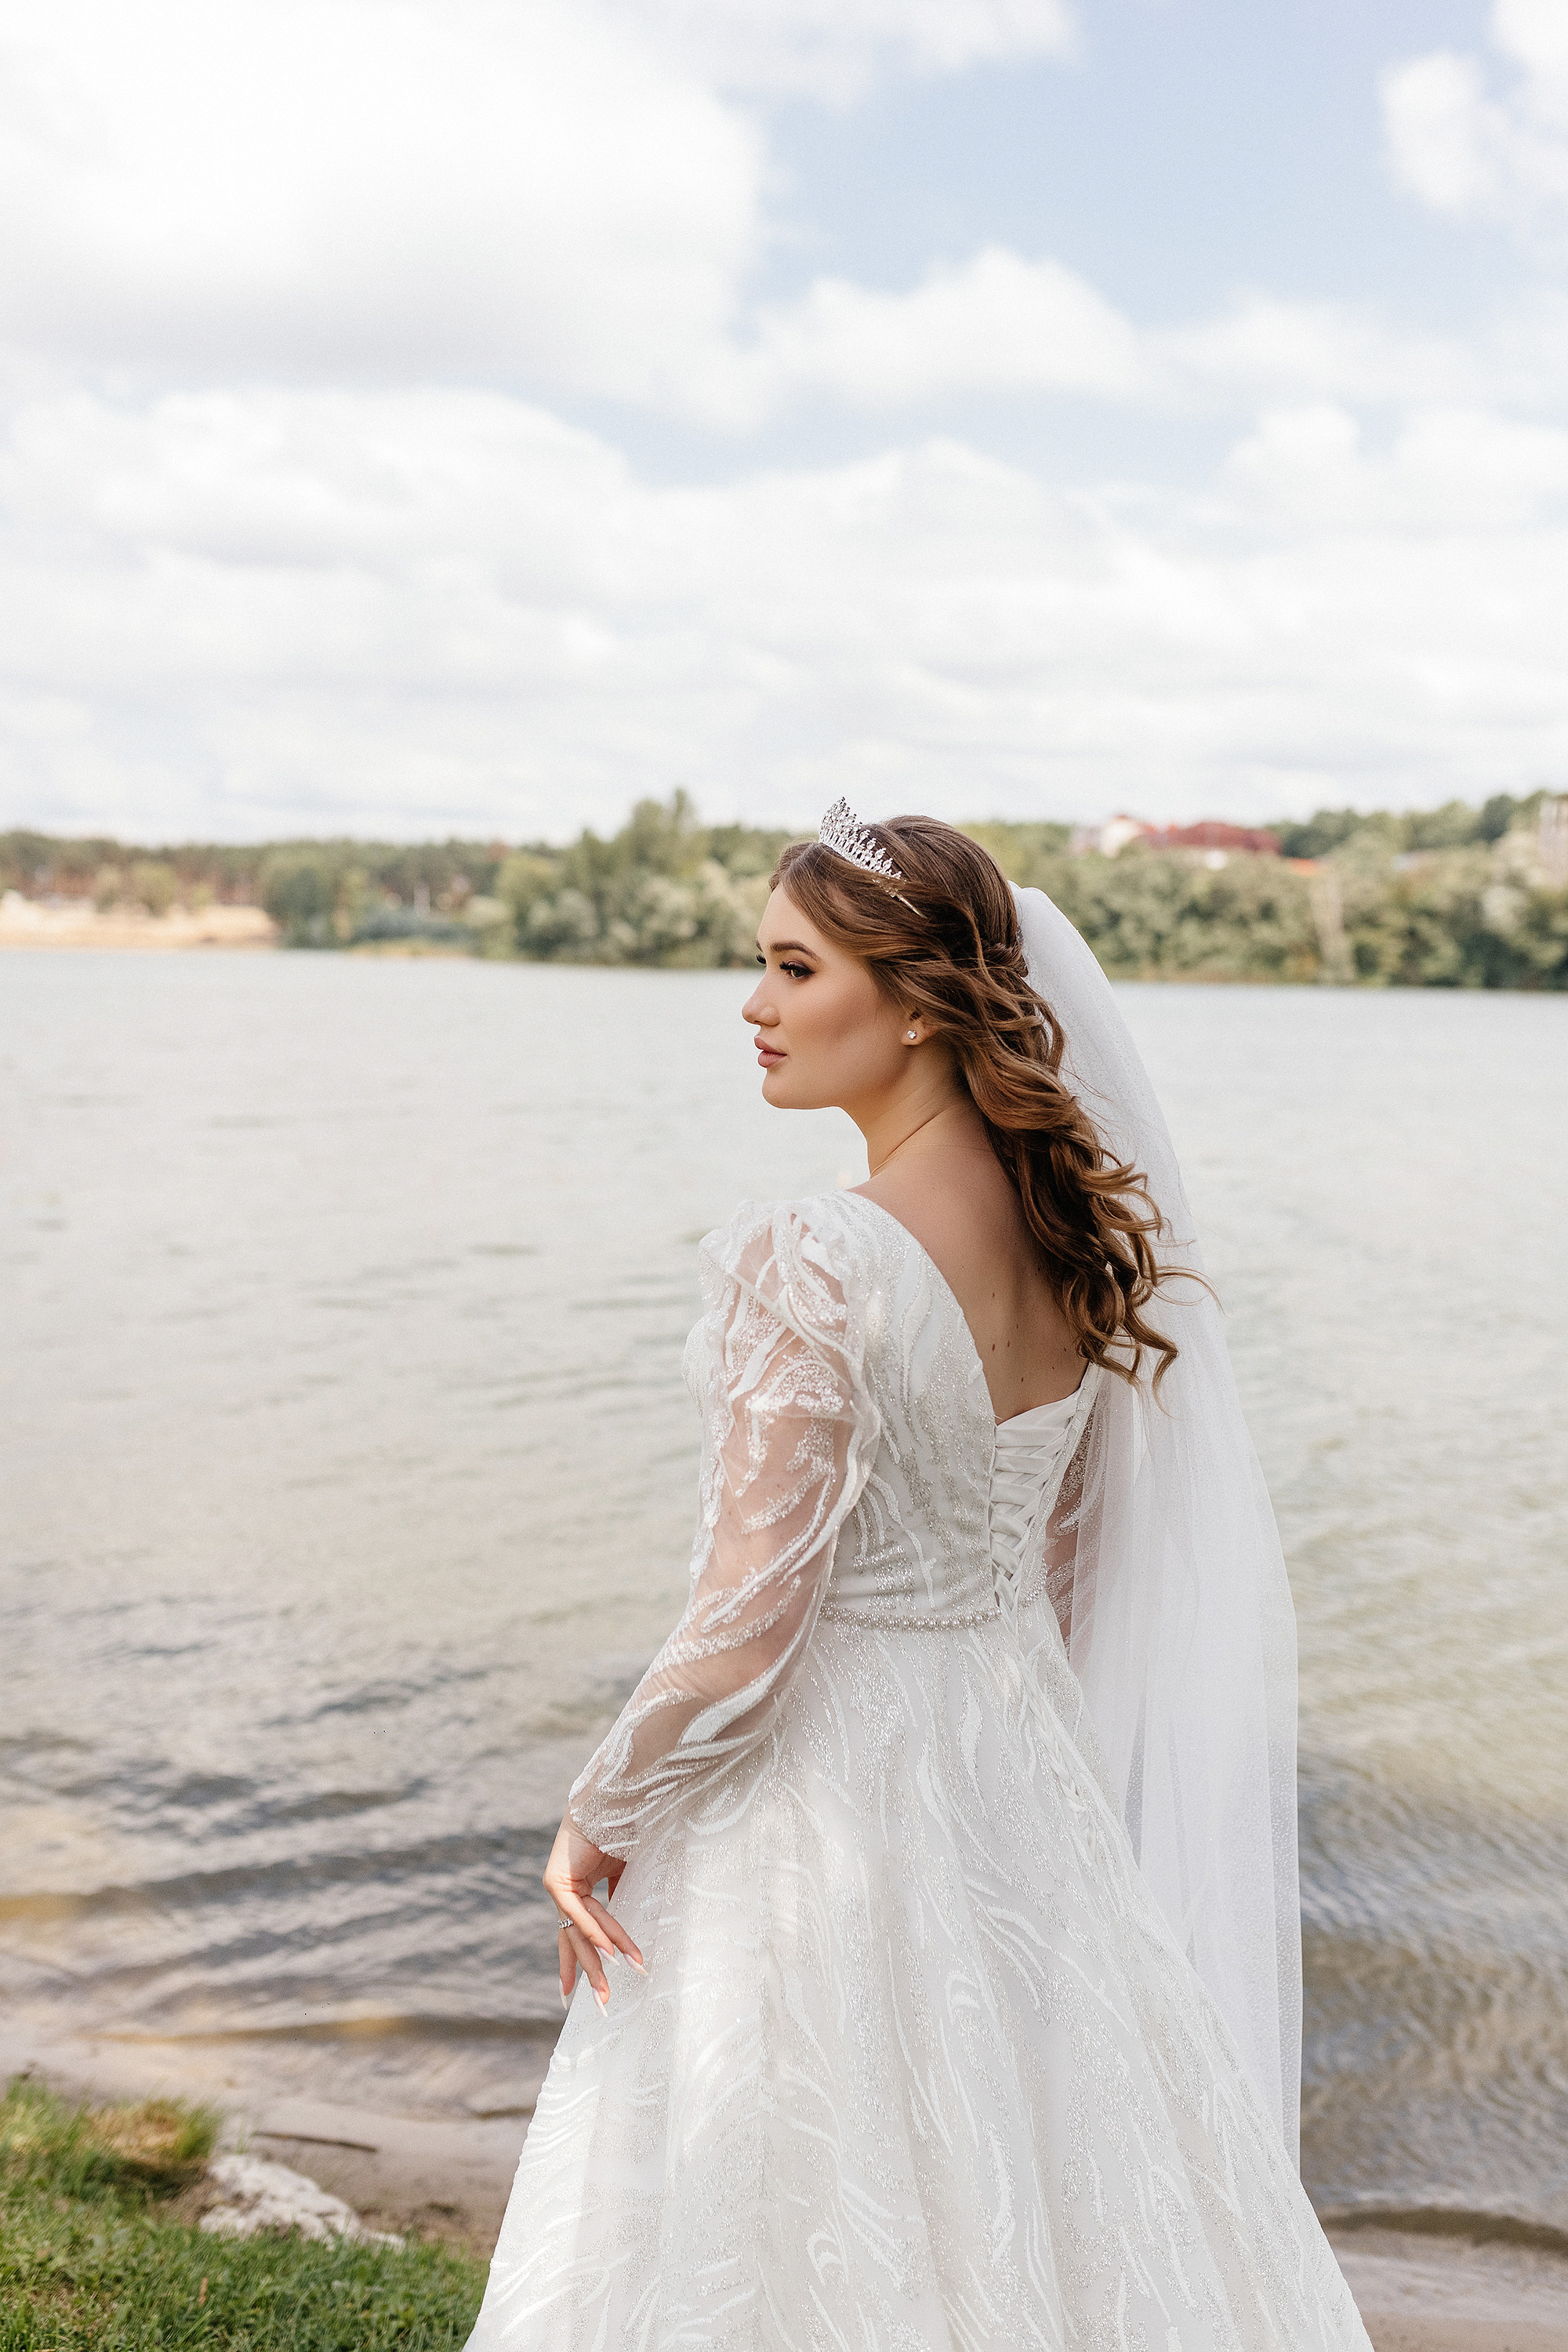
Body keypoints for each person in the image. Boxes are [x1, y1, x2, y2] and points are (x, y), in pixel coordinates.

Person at [465, 805, 1370, 2350]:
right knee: (1042, 2157)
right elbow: (1069, 1569)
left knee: (795, 2178)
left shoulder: (811, 1253)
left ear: (915, 1004)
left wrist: (600, 1810)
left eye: (792, 967)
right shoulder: (1068, 1243)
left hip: (819, 1785)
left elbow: (751, 1616)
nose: (752, 1006)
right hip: (1017, 1769)